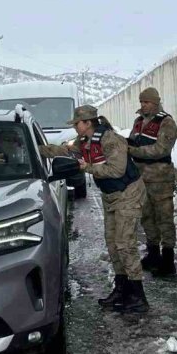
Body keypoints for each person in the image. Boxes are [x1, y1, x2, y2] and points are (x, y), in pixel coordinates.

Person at [39, 105, 149, 313]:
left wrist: (86, 167)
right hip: (111, 196)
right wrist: (36, 149)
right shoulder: (84, 142)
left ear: (88, 122)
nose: (75, 127)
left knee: (125, 244)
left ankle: (137, 295)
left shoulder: (111, 139)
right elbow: (63, 150)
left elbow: (117, 170)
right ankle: (122, 288)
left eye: (77, 124)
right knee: (113, 244)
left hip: (128, 194)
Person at [127, 87, 177, 277]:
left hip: (160, 179)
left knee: (164, 218)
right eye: (141, 102)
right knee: (147, 217)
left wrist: (133, 151)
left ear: (156, 102)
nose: (143, 105)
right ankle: (153, 254)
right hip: (141, 178)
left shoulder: (167, 122)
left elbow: (161, 150)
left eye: (146, 102)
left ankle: (168, 260)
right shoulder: (139, 121)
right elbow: (133, 142)